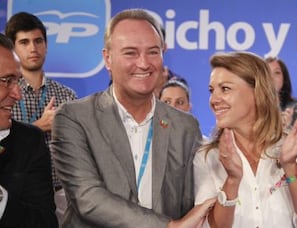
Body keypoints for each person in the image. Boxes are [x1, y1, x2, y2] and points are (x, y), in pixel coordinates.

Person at [51, 8, 215, 227]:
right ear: (107, 59)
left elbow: (187, 204)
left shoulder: (186, 126)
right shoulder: (74, 118)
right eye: (130, 53)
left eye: (153, 52)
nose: (144, 63)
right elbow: (87, 198)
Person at [194, 51, 297, 227]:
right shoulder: (207, 157)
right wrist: (232, 181)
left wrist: (290, 167)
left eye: (225, 89)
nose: (214, 99)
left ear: (257, 92)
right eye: (211, 90)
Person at [5, 12, 77, 192]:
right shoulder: (4, 95)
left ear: (46, 45)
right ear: (12, 49)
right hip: (13, 190)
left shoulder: (67, 95)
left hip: (60, 192)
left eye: (38, 41)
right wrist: (38, 127)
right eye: (24, 42)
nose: (33, 48)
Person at [0, 33, 58, 227]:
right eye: (6, 80)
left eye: (17, 80)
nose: (17, 94)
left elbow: (45, 223)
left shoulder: (28, 141)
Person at [265, 57, 297, 128]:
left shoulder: (295, 108)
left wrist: (288, 127)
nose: (271, 77)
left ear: (284, 78)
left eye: (277, 73)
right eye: (267, 73)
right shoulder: (251, 106)